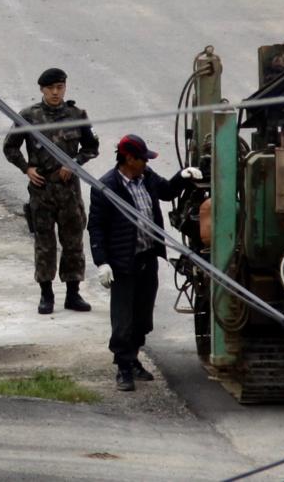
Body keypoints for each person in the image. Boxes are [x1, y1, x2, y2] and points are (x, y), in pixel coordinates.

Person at [88, 134, 201, 391]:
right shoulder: (106, 187)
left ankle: (134, 357)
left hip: (146, 258)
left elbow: (166, 191)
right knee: (123, 318)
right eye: (142, 159)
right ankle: (124, 368)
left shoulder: (146, 177)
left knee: (142, 317)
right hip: (123, 263)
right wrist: (102, 262)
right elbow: (96, 227)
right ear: (129, 158)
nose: (146, 164)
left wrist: (182, 177)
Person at [2, 67, 100, 315]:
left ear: (65, 88)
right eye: (51, 88)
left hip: (69, 192)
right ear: (42, 90)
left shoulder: (77, 115)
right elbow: (10, 147)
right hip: (41, 191)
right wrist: (26, 168)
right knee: (44, 245)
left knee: (73, 243)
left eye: (60, 87)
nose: (56, 93)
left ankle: (73, 293)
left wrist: (74, 163)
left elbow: (91, 147)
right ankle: (46, 295)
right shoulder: (29, 117)